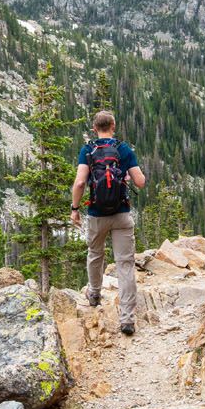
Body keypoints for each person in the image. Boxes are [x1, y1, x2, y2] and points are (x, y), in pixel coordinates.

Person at [70, 110, 146, 335]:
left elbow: (80, 182)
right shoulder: (124, 150)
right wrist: (128, 176)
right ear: (114, 125)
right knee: (125, 264)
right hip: (122, 214)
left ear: (95, 128)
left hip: (96, 214)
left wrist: (75, 209)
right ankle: (127, 320)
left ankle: (94, 293)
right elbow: (141, 182)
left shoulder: (88, 150)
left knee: (95, 254)